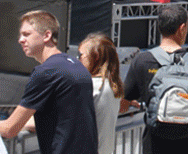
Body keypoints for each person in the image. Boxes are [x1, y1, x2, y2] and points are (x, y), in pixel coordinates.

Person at [0, 10, 98, 154]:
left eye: (27, 34)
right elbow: (65, 118)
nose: (21, 40)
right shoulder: (76, 65)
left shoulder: (46, 72)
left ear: (47, 35)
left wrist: (13, 124)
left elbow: (9, 129)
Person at [123, 4, 188, 154]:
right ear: (182, 28)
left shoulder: (142, 61)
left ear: (159, 27)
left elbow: (123, 104)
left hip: (155, 146)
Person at [78, 33, 124, 154]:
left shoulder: (91, 87)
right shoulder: (113, 86)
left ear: (96, 56)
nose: (78, 59)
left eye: (81, 55)